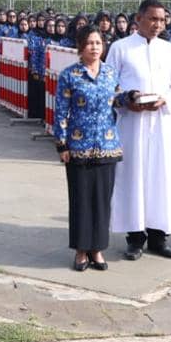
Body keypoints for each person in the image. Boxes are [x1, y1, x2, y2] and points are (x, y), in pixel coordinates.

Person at [107, 0, 171, 261]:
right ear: (139, 19)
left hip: (162, 122)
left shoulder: (169, 49)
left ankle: (158, 237)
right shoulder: (121, 48)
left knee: (161, 178)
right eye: (153, 19)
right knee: (133, 176)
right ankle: (135, 238)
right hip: (132, 123)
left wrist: (167, 100)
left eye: (162, 20)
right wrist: (127, 101)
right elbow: (109, 84)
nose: (158, 24)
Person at [54, 25, 123, 271]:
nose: (94, 47)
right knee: (81, 200)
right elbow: (61, 111)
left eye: (98, 43)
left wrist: (135, 97)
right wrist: (62, 144)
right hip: (78, 146)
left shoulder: (111, 73)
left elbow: (118, 99)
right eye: (89, 43)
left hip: (107, 146)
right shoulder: (69, 75)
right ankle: (81, 250)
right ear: (80, 47)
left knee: (102, 201)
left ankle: (97, 249)